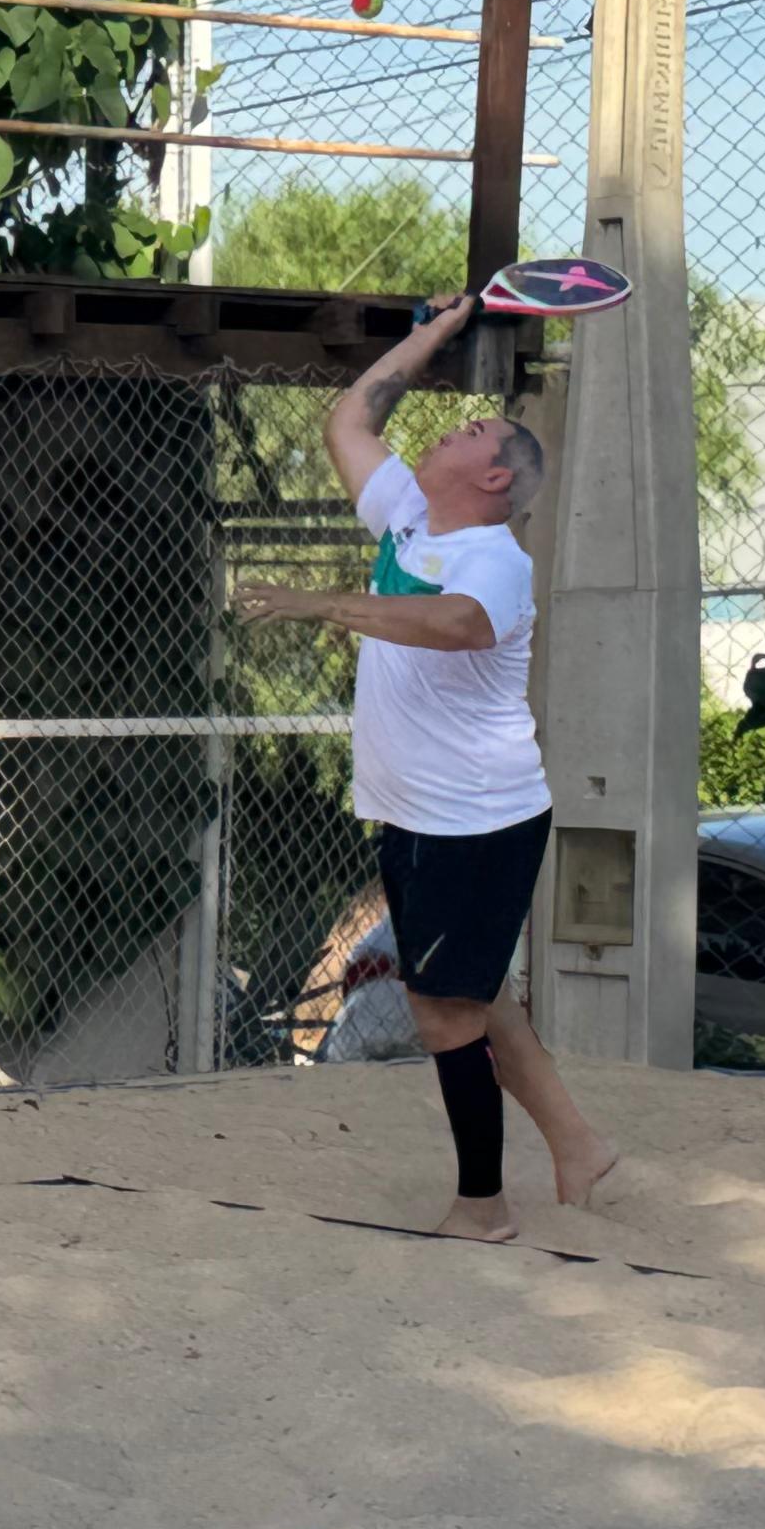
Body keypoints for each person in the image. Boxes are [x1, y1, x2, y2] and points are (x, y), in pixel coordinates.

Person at [230, 292, 618, 1240]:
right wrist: (441, 327)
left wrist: (322, 604)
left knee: (444, 1016)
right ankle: (576, 1143)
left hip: (476, 822)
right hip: (420, 815)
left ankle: (481, 1207)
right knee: (473, 995)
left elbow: (452, 627)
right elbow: (351, 416)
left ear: (493, 478)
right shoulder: (409, 519)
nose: (455, 425)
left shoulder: (494, 561)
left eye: (474, 428)